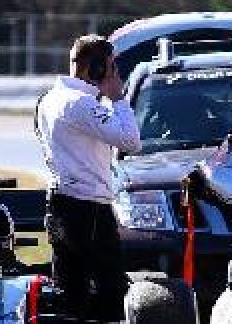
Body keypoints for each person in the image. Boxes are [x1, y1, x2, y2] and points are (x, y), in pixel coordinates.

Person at [36, 35, 139, 324]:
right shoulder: (81, 104)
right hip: (88, 207)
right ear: (97, 68)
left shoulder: (48, 99)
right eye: (111, 66)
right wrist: (118, 98)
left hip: (60, 201)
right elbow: (131, 141)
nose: (114, 74)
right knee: (110, 291)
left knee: (69, 291)